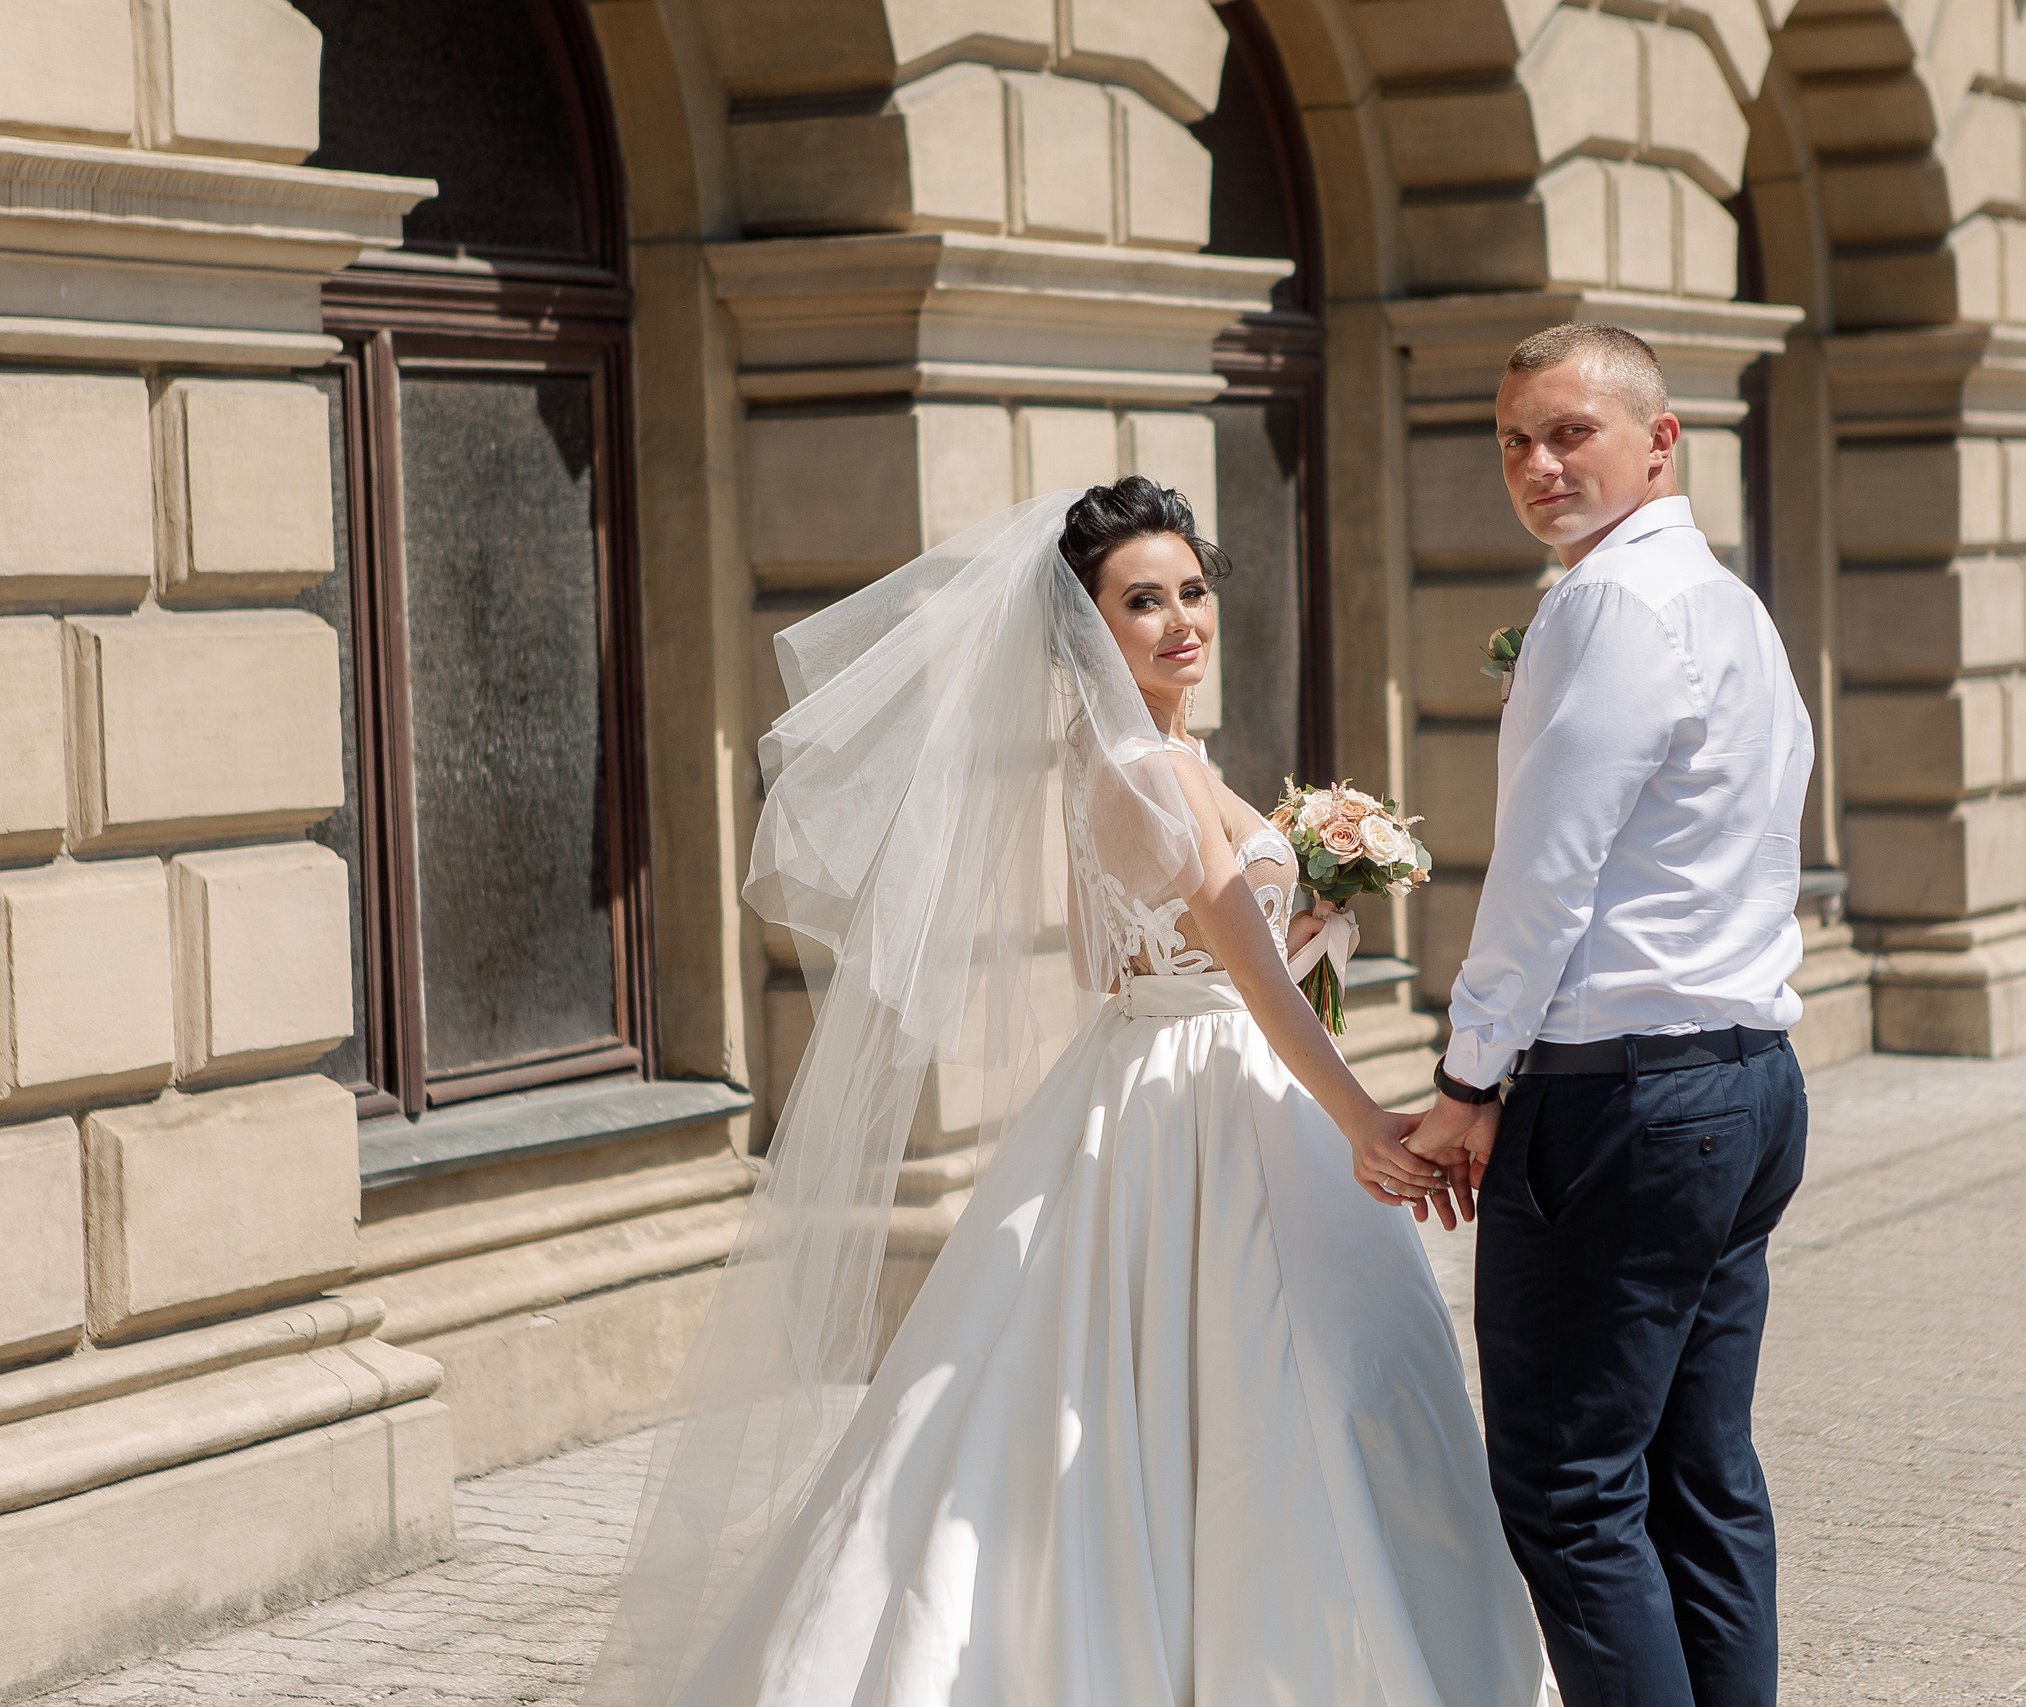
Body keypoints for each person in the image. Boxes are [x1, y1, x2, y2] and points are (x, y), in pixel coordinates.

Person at [589, 478, 1542, 1707]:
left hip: (1160, 1071)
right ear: (1089, 626)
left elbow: (1121, 964)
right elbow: (1241, 977)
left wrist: (1311, 921)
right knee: (1281, 1377)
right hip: (1208, 1096)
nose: (1178, 620)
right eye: (1139, 601)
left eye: (1191, 590)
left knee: (1209, 1376)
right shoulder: (1147, 770)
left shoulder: (1145, 758)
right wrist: (1359, 1114)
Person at [1406, 323, 1814, 1707]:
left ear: (1660, 438)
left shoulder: (1612, 605)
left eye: (1570, 431)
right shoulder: (1733, 607)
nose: (1536, 462)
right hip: (1748, 1081)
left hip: (1628, 1099)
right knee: (1698, 1471)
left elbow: (1545, 869)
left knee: (1573, 1489)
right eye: (1514, 437)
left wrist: (1469, 1077)